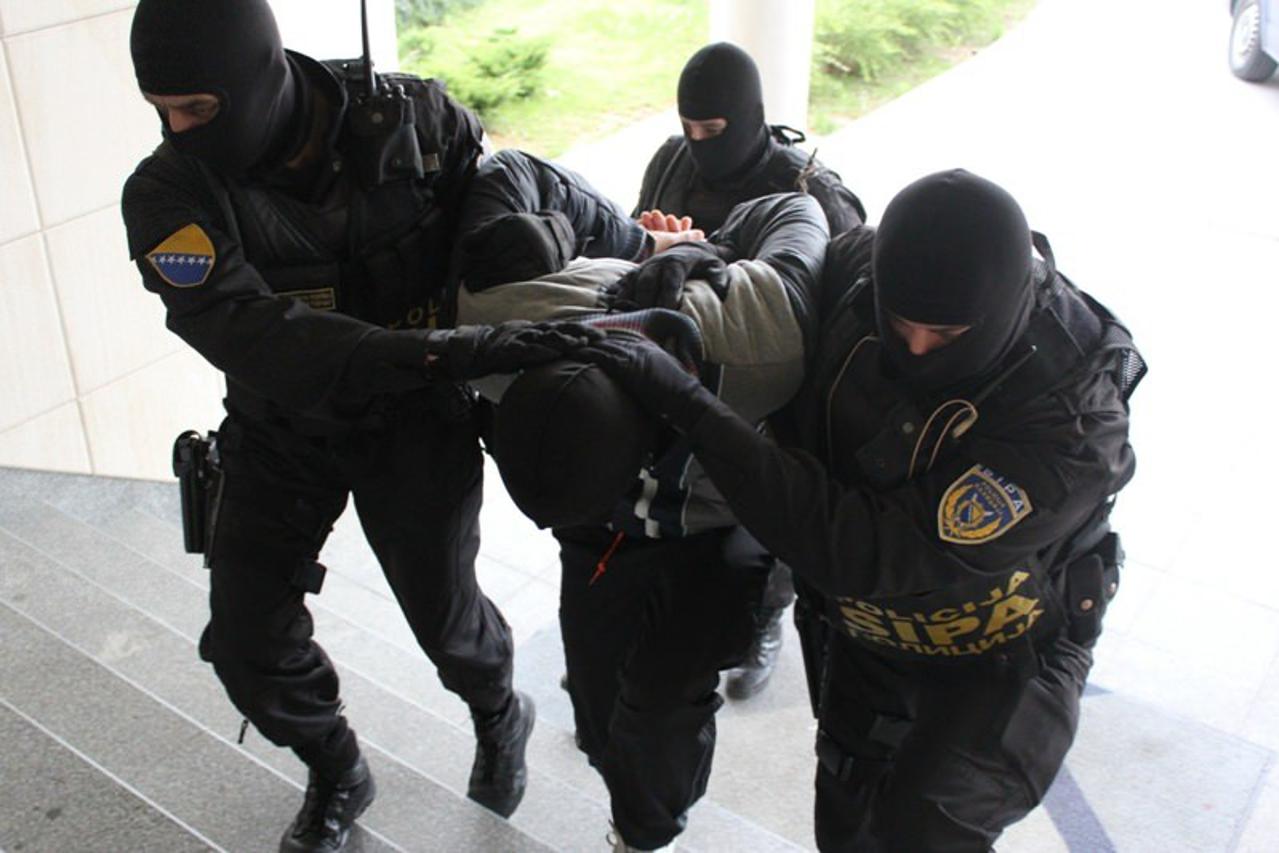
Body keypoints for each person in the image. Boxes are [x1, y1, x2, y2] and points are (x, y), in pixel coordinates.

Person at [120, 4, 599, 851]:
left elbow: (510, 197)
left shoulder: (418, 123)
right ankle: (337, 768)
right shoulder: (168, 193)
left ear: (255, 78)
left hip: (412, 421)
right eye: (161, 110)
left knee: (447, 624)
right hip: (281, 422)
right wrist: (435, 351)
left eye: (196, 108)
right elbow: (245, 330)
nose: (177, 130)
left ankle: (498, 711)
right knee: (245, 644)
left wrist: (537, 240)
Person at [581, 169, 1146, 850]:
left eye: (945, 333)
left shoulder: (1074, 415)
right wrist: (707, 256)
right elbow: (781, 216)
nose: (916, 347)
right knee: (844, 819)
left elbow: (869, 550)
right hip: (861, 631)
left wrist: (693, 408)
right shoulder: (860, 266)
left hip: (1003, 650)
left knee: (923, 827)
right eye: (900, 323)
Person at [451, 149, 830, 852]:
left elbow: (794, 207)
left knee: (661, 710)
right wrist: (637, 242)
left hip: (716, 524)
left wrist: (712, 246)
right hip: (602, 533)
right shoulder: (492, 322)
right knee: (598, 713)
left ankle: (647, 832)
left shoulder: (761, 341)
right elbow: (512, 170)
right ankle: (622, 779)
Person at [633, 42, 867, 700]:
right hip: (683, 365)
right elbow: (635, 243)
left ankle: (765, 616)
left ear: (750, 117)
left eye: (712, 129)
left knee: (768, 516)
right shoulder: (671, 161)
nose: (698, 142)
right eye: (688, 127)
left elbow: (841, 303)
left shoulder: (809, 189)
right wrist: (656, 240)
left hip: (774, 376)